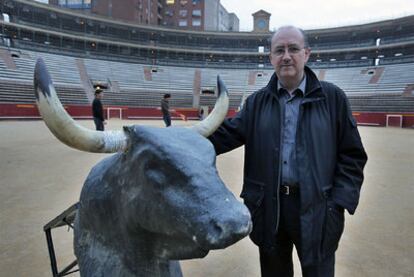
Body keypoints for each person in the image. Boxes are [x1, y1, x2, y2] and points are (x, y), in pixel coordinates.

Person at [208, 26, 367, 277]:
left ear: (306, 53)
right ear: (270, 58)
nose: (286, 56)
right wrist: (180, 140)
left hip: (318, 210)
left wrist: (337, 203)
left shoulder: (333, 98)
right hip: (270, 208)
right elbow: (224, 136)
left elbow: (353, 156)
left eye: (293, 49)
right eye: (279, 50)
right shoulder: (256, 103)